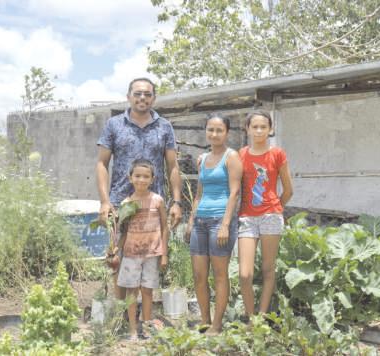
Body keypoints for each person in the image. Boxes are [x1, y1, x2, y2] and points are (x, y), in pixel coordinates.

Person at [96, 77, 183, 299]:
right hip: (120, 202)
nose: (142, 98)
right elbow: (101, 164)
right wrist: (105, 201)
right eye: (137, 93)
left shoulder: (164, 126)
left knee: (149, 257)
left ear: (153, 97)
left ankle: (144, 315)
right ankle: (120, 312)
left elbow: (173, 165)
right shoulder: (114, 124)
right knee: (118, 257)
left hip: (153, 206)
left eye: (147, 94)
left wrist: (176, 202)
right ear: (128, 97)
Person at [185, 113, 242, 335]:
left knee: (220, 275)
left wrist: (226, 224)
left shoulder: (231, 156)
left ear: (226, 132)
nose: (214, 134)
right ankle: (205, 320)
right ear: (206, 131)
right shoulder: (202, 160)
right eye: (211, 129)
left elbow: (235, 192)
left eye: (219, 130)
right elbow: (199, 193)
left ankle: (217, 325)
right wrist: (191, 219)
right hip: (200, 222)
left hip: (220, 220)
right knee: (199, 275)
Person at [238, 110, 293, 318]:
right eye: (255, 126)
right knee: (245, 274)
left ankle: (261, 317)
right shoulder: (241, 154)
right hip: (247, 218)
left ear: (270, 129)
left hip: (271, 216)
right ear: (247, 129)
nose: (259, 130)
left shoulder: (277, 154)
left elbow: (288, 189)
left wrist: (276, 207)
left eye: (263, 126)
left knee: (268, 269)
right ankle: (250, 316)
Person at [117, 159, 169, 340]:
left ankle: (147, 328)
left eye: (146, 176)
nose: (141, 179)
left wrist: (164, 254)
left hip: (152, 254)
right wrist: (115, 250)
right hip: (131, 254)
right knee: (132, 292)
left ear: (152, 179)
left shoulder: (158, 200)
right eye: (137, 176)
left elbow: (164, 226)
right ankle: (132, 330)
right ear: (130, 177)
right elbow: (122, 230)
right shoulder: (126, 203)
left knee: (148, 291)